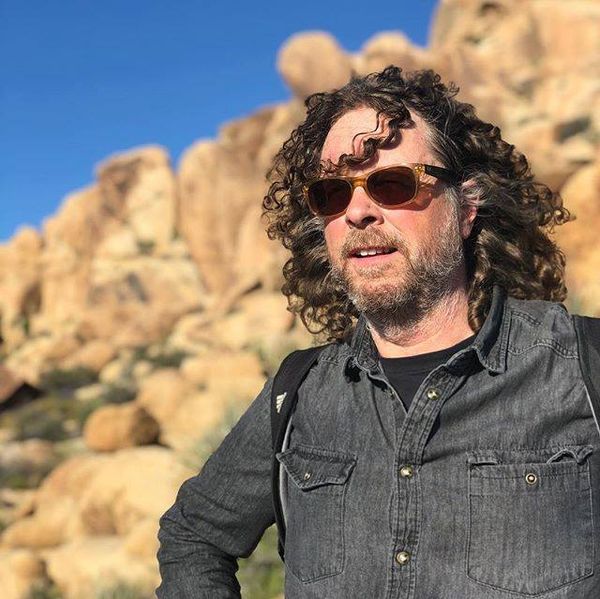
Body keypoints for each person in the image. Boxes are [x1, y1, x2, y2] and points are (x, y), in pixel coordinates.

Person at [156, 66, 600, 598]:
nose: (359, 212)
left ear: (466, 208)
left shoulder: (581, 365)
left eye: (393, 184)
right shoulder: (300, 393)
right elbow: (194, 535)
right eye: (331, 194)